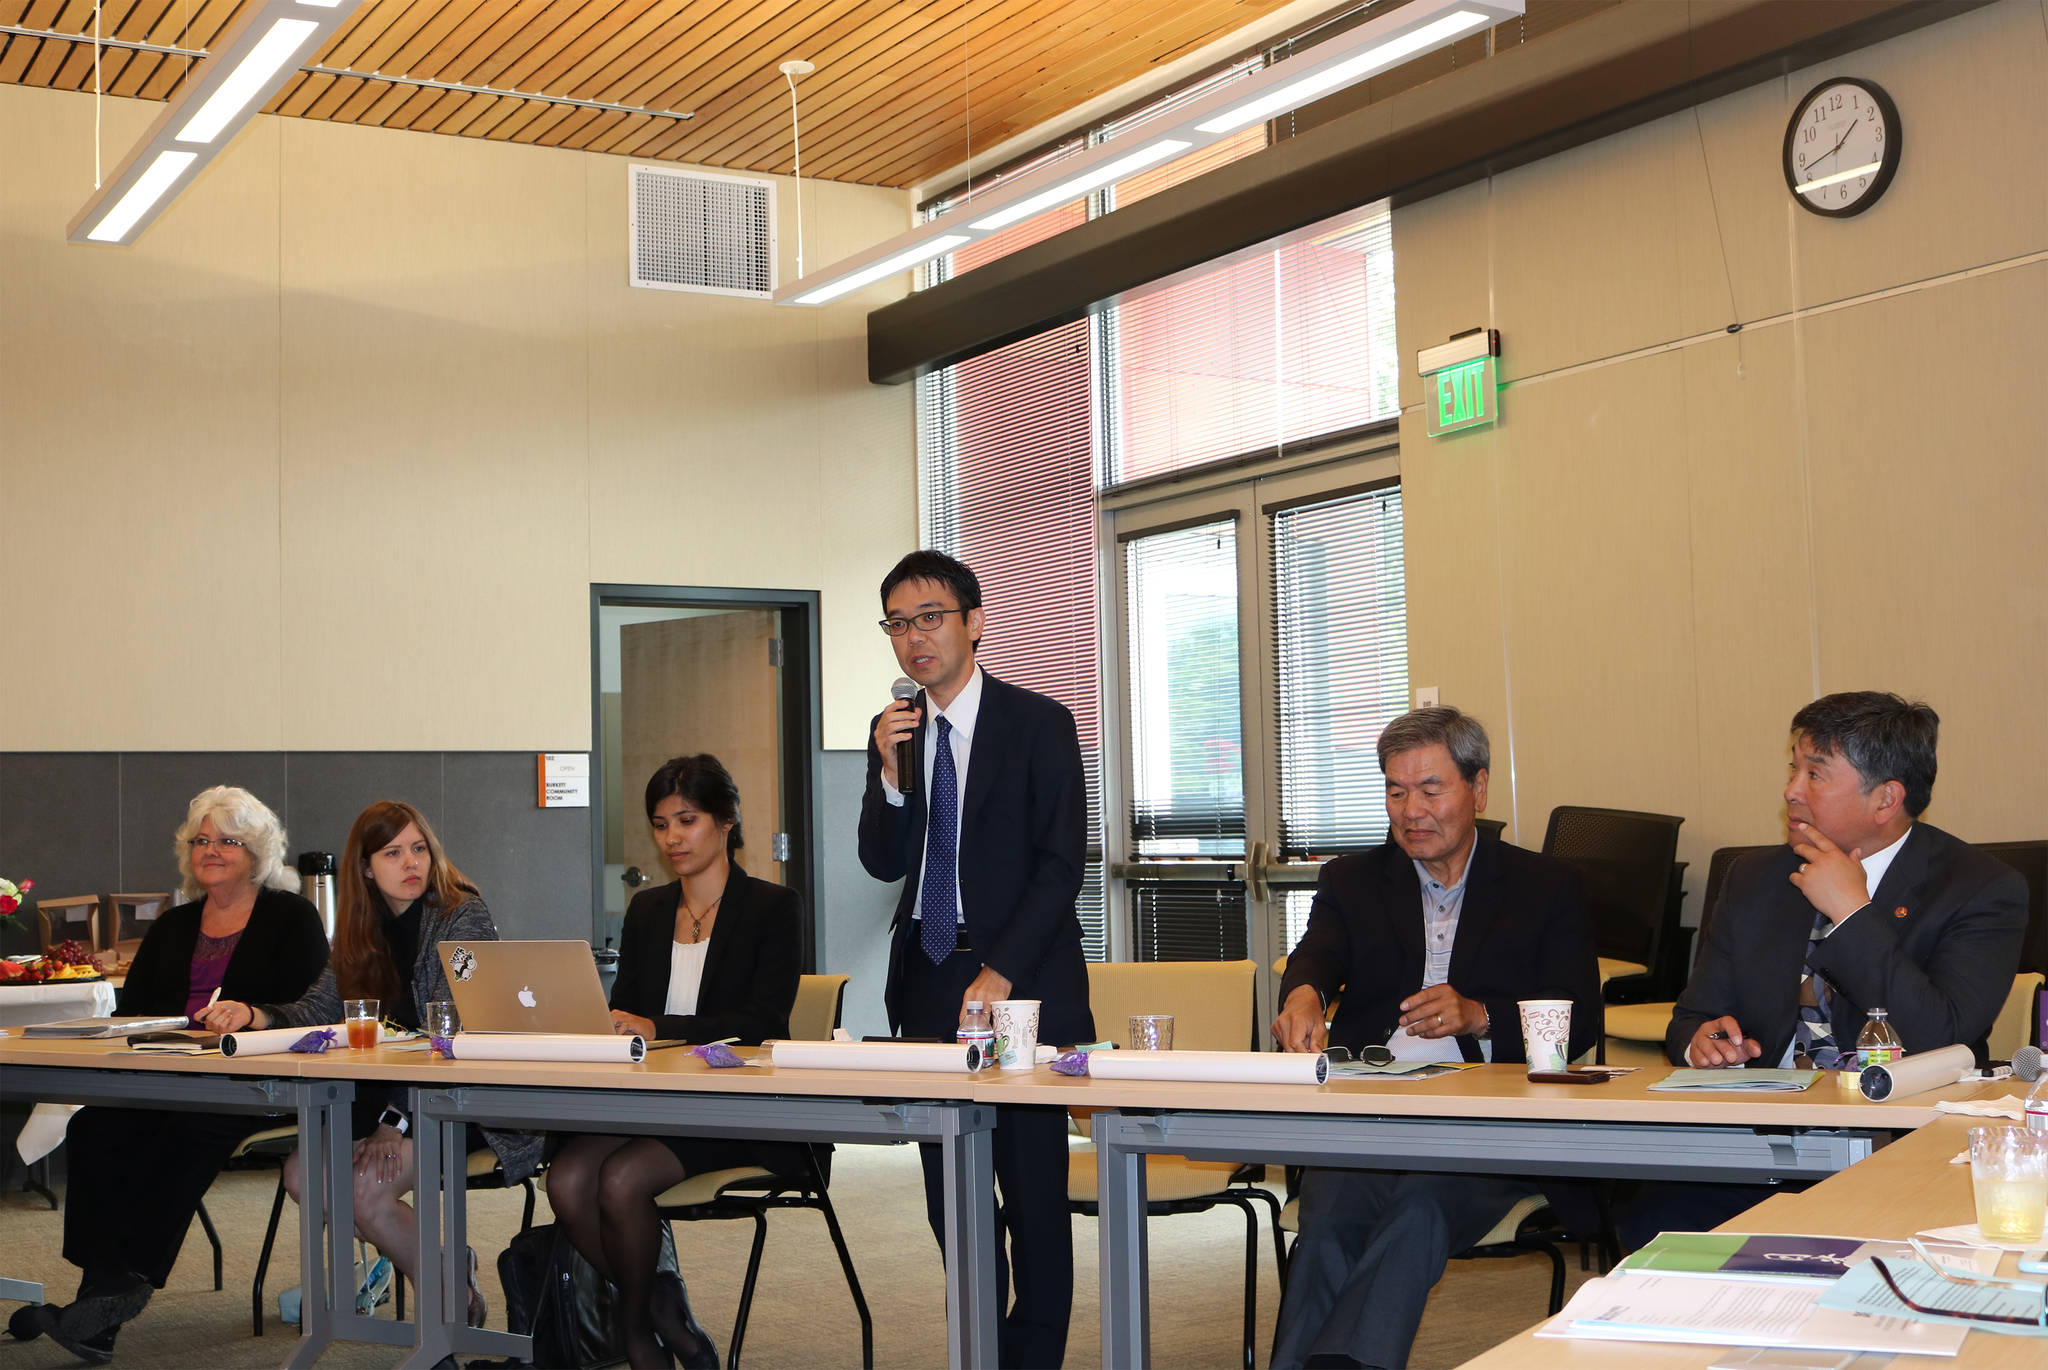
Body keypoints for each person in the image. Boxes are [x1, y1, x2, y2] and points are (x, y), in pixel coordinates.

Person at [1625, 692, 2030, 1245]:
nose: (1791, 790)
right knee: (1656, 1219)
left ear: (1885, 799)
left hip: (1904, 1146)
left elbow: (1941, 1035)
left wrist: (1852, 914)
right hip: (1762, 1146)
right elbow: (1691, 1018)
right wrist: (1702, 1043)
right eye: (1793, 768)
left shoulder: (1981, 888)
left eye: (1815, 774)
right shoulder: (1754, 878)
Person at [1268, 707, 1600, 1370]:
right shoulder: (1352, 880)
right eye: (1396, 792)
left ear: (1479, 789)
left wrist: (1480, 1015)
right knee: (1328, 1220)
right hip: (1371, 1115)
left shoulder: (1545, 886)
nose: (1411, 811)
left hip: (1488, 1121)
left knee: (1418, 1208)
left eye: (1430, 789)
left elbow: (1581, 1018)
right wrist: (1302, 993)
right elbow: (1316, 955)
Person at [858, 549, 1093, 1370]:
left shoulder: (1038, 724)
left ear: (975, 621)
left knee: (1031, 1193)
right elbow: (883, 863)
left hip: (1020, 986)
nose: (914, 637)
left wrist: (1001, 970)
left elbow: (1061, 866)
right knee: (952, 1197)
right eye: (898, 623)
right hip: (930, 976)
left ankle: (1035, 1358)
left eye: (930, 617)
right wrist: (889, 778)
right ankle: (983, 1350)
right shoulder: (896, 732)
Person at [200, 799, 541, 1324]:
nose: (412, 863)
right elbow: (319, 1009)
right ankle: (446, 1267)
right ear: (365, 868)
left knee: (364, 1192)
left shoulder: (462, 915)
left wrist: (395, 1121)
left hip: (456, 1099)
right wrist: (255, 1014)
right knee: (302, 1175)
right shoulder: (360, 925)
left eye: (419, 849)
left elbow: (448, 1032)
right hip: (384, 1101)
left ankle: (446, 1304)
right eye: (392, 853)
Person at [25, 786, 327, 1364]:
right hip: (166, 1073)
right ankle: (102, 1296)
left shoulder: (291, 917)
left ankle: (125, 1284)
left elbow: (315, 1008)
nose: (211, 850)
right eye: (201, 840)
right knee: (94, 1127)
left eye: (228, 841)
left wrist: (253, 1013)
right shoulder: (174, 924)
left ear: (257, 853)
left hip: (253, 1080)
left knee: (185, 1131)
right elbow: (133, 1010)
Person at [546, 755, 803, 1370]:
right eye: (661, 825)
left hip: (736, 1105)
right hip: (652, 1100)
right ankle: (663, 1304)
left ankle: (639, 1332)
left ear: (726, 820)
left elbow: (763, 1021)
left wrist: (660, 1028)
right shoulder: (648, 910)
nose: (672, 839)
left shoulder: (773, 906)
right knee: (566, 1179)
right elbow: (627, 1009)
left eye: (687, 821)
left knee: (619, 1180)